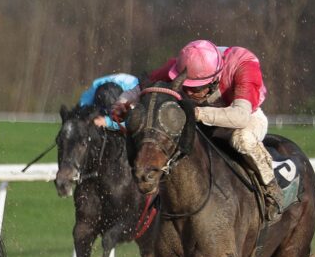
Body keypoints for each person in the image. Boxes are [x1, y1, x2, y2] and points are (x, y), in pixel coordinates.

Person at [119, 39, 284, 223]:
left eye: (195, 88)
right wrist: (122, 102)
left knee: (243, 140)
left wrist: (196, 112)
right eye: (185, 86)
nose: (188, 93)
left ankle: (270, 186)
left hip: (245, 117)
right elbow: (141, 87)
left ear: (214, 79)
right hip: (203, 117)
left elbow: (241, 116)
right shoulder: (183, 65)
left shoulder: (244, 66)